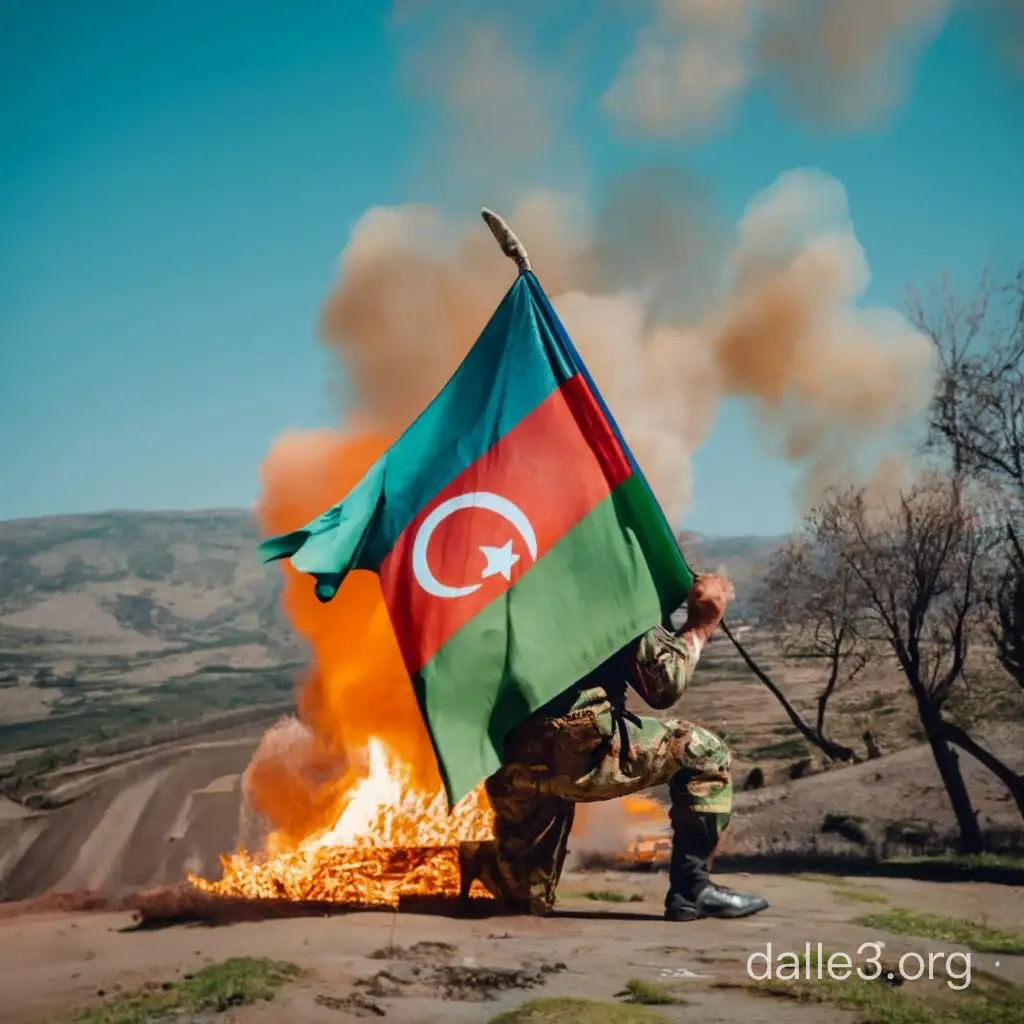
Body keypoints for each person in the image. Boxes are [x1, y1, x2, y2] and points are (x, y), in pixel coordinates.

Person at [459, 575, 769, 922]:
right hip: (580, 754)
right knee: (704, 753)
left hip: (511, 761)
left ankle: (484, 860)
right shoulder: (604, 578)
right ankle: (692, 890)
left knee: (526, 903)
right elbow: (664, 685)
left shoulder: (499, 581)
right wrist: (701, 624)